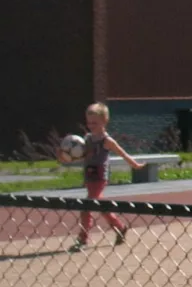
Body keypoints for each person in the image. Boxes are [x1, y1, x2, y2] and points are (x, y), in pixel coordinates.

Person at [59, 102, 144, 249]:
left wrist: (134, 164)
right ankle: (120, 227)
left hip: (99, 177)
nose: (91, 125)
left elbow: (122, 153)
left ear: (104, 121)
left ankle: (82, 238)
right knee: (101, 206)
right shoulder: (87, 138)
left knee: (86, 207)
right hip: (89, 175)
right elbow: (81, 156)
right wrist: (64, 157)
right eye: (89, 122)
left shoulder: (107, 141)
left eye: (95, 123)